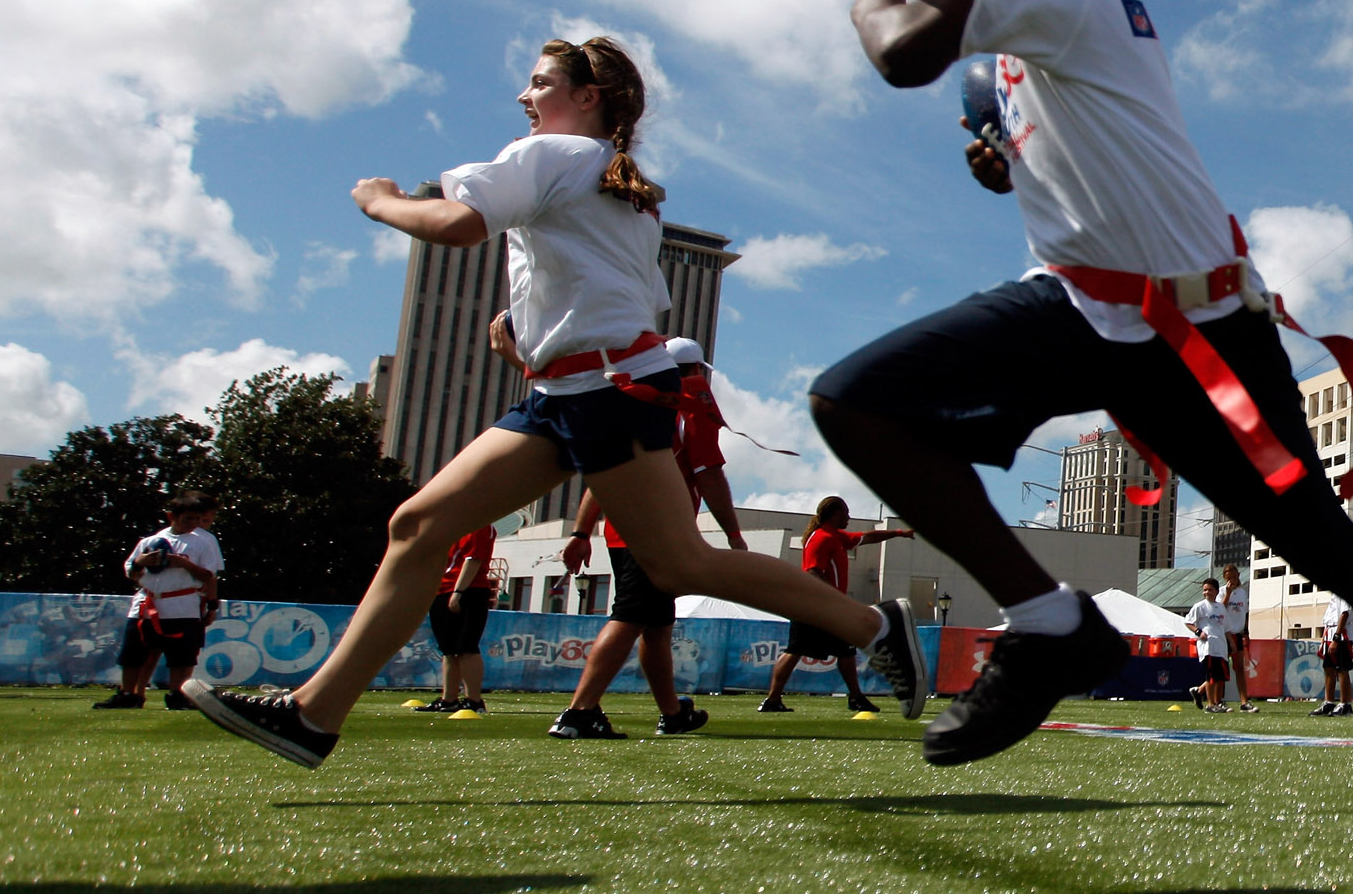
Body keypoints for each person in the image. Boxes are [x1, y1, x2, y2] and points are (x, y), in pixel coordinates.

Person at [809, 0, 1353, 857]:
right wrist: (1020, 160)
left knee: (1318, 544)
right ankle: (1052, 623)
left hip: (1197, 321)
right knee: (856, 398)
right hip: (1081, 302)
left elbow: (906, 49)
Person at [185, 38, 929, 770]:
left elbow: (460, 224)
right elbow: (609, 305)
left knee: (680, 562)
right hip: (569, 393)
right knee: (419, 524)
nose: (525, 98)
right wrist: (533, 356)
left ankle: (873, 624)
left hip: (602, 393)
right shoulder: (616, 187)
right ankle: (315, 715)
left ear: (588, 98)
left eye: (540, 84)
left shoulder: (554, 157)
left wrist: (381, 201)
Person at [548, 343, 746, 739]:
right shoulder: (690, 405)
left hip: (619, 529)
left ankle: (672, 713)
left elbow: (602, 474)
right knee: (631, 616)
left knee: (656, 625)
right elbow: (708, 475)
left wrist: (582, 532)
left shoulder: (629, 402)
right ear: (691, 369)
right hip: (659, 529)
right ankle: (579, 712)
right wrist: (733, 534)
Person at [757, 496, 914, 716]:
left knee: (845, 651)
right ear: (835, 514)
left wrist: (898, 534)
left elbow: (866, 537)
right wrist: (833, 598)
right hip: (813, 605)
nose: (849, 517)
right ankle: (772, 699)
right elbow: (812, 572)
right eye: (846, 513)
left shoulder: (836, 537)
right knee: (796, 650)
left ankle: (856, 697)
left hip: (827, 606)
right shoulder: (821, 538)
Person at [100, 493, 222, 711]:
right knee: (134, 654)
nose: (192, 524)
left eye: (196, 519)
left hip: (182, 603)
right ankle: (128, 693)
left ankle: (177, 694)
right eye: (187, 519)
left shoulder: (201, 542)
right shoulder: (149, 541)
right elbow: (131, 571)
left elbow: (208, 575)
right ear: (171, 516)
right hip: (147, 603)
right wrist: (141, 562)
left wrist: (184, 565)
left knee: (182, 656)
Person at [419, 525, 496, 717]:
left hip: (469, 589)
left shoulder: (478, 525)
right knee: (448, 649)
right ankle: (449, 699)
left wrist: (458, 591)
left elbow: (473, 558)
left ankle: (474, 700)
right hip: (444, 589)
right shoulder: (456, 525)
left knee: (466, 646)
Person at [1312, 592, 1353, 717]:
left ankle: (1345, 703)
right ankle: (1329, 701)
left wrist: (1337, 638)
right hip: (1331, 633)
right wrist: (1324, 640)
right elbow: (1329, 620)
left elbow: (1344, 613)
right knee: (1328, 668)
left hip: (1341, 636)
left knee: (1342, 669)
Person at [1186, 575, 1231, 710]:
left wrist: (1231, 643)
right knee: (1211, 676)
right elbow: (1188, 621)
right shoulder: (1200, 606)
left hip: (1220, 646)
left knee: (1219, 677)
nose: (1207, 592)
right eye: (1205, 590)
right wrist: (1198, 632)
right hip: (1208, 646)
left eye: (1210, 590)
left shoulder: (1221, 607)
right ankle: (1210, 704)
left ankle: (1214, 701)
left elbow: (1227, 627)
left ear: (1216, 591)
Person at [1218, 564, 1257, 712]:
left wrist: (1246, 632)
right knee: (1222, 668)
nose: (1232, 580)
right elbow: (1220, 609)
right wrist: (1227, 594)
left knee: (1240, 668)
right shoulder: (1221, 592)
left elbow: (1244, 614)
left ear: (1238, 576)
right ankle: (1218, 699)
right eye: (1229, 578)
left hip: (1238, 633)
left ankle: (1244, 701)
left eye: (1234, 577)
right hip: (1225, 634)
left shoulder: (1242, 592)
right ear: (1225, 579)